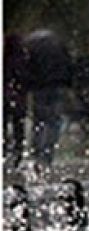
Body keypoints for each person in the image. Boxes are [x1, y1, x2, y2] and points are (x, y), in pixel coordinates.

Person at [22, 29, 73, 167]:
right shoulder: (58, 46)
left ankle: (36, 152)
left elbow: (27, 67)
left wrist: (29, 84)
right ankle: (47, 153)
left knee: (39, 120)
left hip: (39, 87)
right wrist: (68, 83)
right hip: (57, 85)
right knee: (53, 121)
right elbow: (68, 64)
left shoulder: (32, 47)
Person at [4, 33, 27, 167]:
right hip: (18, 97)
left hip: (5, 96)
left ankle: (5, 151)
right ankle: (17, 153)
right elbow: (25, 77)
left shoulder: (5, 58)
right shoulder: (21, 59)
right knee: (18, 126)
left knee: (4, 125)